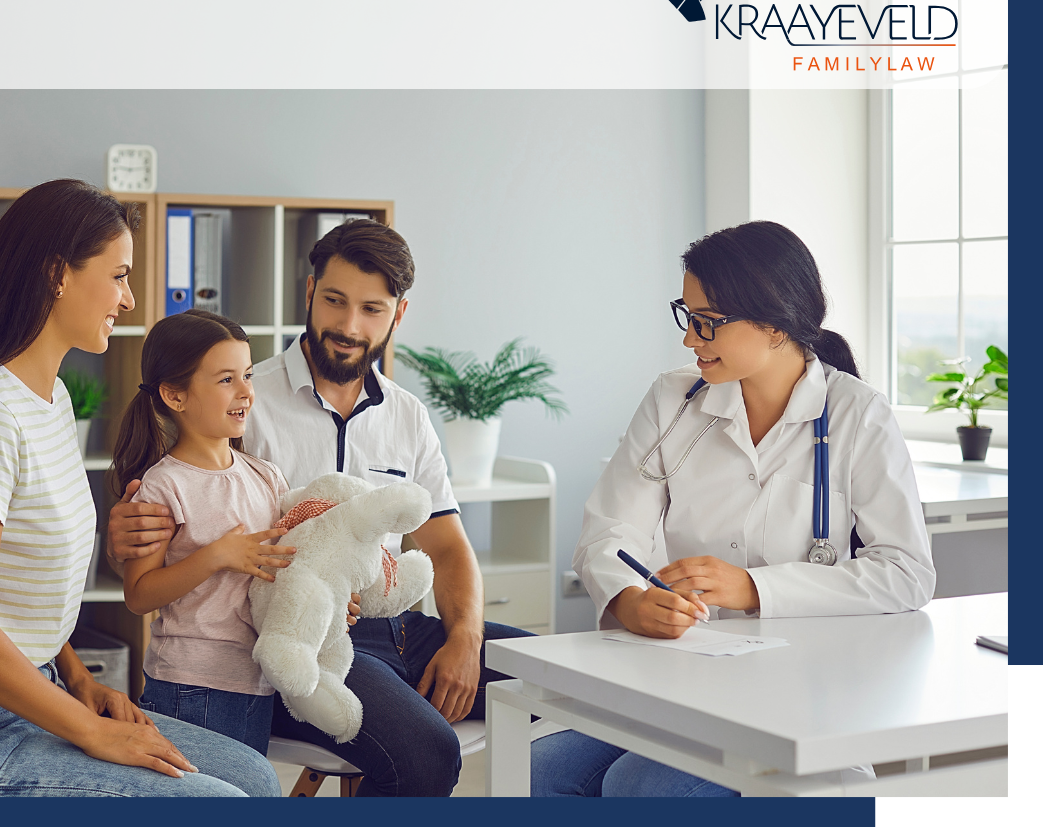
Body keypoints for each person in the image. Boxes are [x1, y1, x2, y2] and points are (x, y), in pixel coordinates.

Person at [0, 179, 281, 798]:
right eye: (118, 276)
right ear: (56, 274)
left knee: (253, 777)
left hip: (31, 693)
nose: (129, 296)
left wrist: (78, 679)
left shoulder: (51, 398)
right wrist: (91, 733)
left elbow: (14, 589)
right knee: (216, 801)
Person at [106, 219, 535, 796]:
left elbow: (448, 544)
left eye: (372, 310)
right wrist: (125, 533)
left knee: (568, 679)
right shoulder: (238, 396)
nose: (349, 326)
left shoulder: (406, 414)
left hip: (399, 625)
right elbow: (165, 512)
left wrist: (465, 640)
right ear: (309, 293)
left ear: (398, 316)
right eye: (334, 301)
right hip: (306, 636)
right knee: (427, 752)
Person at [532, 220, 936, 797]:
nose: (690, 340)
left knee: (639, 788)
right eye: (686, 315)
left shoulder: (857, 415)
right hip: (684, 676)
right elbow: (611, 529)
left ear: (773, 326)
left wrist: (755, 589)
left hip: (802, 690)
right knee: (535, 773)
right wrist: (628, 599)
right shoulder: (675, 400)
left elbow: (906, 572)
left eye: (707, 323)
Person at [113, 307, 358, 756]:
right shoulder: (163, 485)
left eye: (247, 375)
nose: (246, 390)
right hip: (192, 685)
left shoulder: (266, 476)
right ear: (175, 395)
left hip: (256, 680)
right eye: (226, 379)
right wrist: (216, 556)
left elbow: (291, 561)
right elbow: (139, 595)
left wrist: (332, 597)